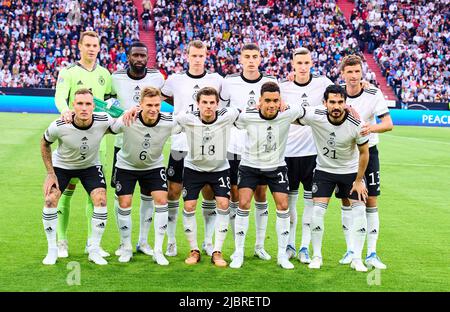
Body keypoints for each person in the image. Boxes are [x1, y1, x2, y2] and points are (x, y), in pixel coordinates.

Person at [230, 81, 303, 270]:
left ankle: (281, 255)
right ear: (259, 101)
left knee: (283, 205)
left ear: (281, 101)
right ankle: (238, 252)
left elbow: (307, 111)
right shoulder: (248, 116)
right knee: (243, 204)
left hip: (276, 167)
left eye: (276, 100)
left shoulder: (288, 113)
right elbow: (233, 119)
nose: (272, 105)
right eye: (267, 100)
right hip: (250, 166)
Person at [160, 40, 223, 258]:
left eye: (201, 56)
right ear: (187, 56)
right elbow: (159, 95)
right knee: (173, 193)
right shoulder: (175, 80)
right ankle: (171, 240)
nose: (198, 59)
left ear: (207, 56)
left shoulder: (216, 80)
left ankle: (207, 241)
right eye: (194, 55)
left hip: (206, 145)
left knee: (208, 193)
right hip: (180, 144)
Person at [297, 84, 370, 272]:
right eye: (332, 102)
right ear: (324, 103)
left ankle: (357, 258)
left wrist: (359, 180)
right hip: (324, 171)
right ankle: (317, 256)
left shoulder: (357, 124)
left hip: (350, 172)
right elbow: (297, 113)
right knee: (317, 213)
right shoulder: (316, 116)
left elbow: (364, 153)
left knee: (360, 211)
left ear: (346, 103)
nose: (336, 106)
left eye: (340, 102)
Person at [54, 30, 112, 259]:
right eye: (87, 45)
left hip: (98, 143)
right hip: (72, 140)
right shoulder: (68, 72)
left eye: (94, 45)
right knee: (65, 193)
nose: (91, 49)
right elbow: (59, 96)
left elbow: (109, 103)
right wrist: (65, 111)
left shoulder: (105, 74)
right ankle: (61, 241)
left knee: (95, 194)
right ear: (79, 46)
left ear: (99, 48)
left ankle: (92, 243)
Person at [41, 88, 114, 265]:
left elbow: (121, 125)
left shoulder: (103, 120)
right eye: (79, 103)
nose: (83, 108)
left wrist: (132, 113)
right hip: (63, 166)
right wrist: (50, 173)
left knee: (101, 200)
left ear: (94, 106)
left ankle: (94, 250)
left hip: (89, 166)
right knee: (51, 200)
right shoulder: (59, 125)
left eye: (88, 104)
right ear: (73, 106)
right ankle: (53, 250)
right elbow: (44, 143)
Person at [220, 43, 277, 261]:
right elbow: (222, 108)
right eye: (247, 56)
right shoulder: (229, 82)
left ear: (260, 59)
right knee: (236, 196)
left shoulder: (269, 83)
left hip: (260, 149)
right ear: (240, 59)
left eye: (255, 56)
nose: (251, 60)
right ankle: (238, 247)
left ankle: (260, 245)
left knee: (261, 195)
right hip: (234, 148)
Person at [337, 55, 393, 269]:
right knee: (347, 201)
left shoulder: (373, 93)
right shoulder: (337, 94)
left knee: (370, 202)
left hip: (368, 152)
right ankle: (351, 250)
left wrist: (370, 128)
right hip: (345, 154)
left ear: (362, 72)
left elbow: (388, 124)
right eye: (349, 72)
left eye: (357, 71)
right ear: (343, 73)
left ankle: (371, 253)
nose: (353, 76)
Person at [110, 41, 165, 258]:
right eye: (136, 55)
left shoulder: (157, 78)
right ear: (128, 57)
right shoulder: (116, 78)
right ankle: (124, 244)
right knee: (121, 197)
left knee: (148, 196)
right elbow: (105, 103)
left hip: (149, 146)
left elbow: (165, 99)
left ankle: (143, 241)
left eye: (144, 55)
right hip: (122, 146)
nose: (140, 59)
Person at [175, 87, 239, 267]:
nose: (208, 106)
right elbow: (167, 120)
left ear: (218, 104)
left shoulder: (228, 115)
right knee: (189, 205)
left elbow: (243, 113)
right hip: (193, 168)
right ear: (198, 104)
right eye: (204, 102)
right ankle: (194, 249)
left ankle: (217, 251)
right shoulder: (187, 118)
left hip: (219, 168)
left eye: (212, 103)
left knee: (224, 203)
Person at [280, 47, 333, 263]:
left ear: (312, 63)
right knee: (290, 204)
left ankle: (304, 246)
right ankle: (290, 244)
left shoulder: (323, 84)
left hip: (314, 153)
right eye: (299, 63)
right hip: (289, 153)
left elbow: (342, 93)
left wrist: (364, 84)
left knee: (310, 203)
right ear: (293, 64)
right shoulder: (284, 87)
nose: (302, 67)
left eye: (306, 63)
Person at [110, 87, 172, 265]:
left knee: (161, 200)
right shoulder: (129, 118)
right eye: (149, 105)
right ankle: (126, 246)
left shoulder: (168, 121)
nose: (153, 109)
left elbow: (188, 121)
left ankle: (157, 250)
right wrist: (125, 114)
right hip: (126, 166)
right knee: (124, 203)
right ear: (140, 105)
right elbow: (112, 128)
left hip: (153, 166)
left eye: (157, 105)